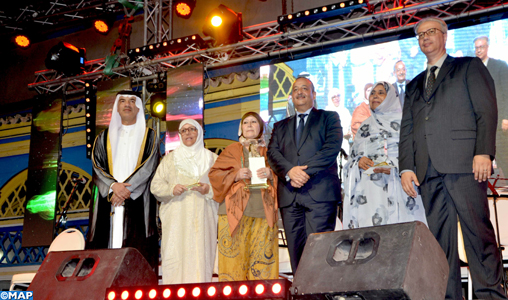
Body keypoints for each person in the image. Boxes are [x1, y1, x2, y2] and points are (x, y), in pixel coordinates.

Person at [399, 17, 506, 299]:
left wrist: (483, 151)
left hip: (464, 165)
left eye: (431, 32)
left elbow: (486, 110)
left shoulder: (468, 66)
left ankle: (491, 296)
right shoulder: (413, 85)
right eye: (420, 34)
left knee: (478, 236)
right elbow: (407, 130)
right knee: (439, 245)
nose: (425, 37)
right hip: (427, 171)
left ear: (445, 36)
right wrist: (406, 167)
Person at [267, 77, 342, 273]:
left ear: (313, 94)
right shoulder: (279, 126)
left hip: (320, 195)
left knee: (320, 254)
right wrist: (290, 172)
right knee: (296, 256)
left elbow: (331, 149)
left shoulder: (329, 118)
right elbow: (272, 153)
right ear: (291, 96)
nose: (299, 92)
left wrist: (302, 172)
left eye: (304, 88)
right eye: (295, 89)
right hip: (290, 198)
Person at [88, 90, 159, 270]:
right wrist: (113, 187)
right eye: (123, 101)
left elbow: (149, 166)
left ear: (138, 108)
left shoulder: (150, 136)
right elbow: (97, 167)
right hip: (109, 199)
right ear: (117, 108)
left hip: (137, 199)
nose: (127, 104)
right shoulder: (102, 138)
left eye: (132, 101)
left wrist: (125, 190)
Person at [343, 81, 427, 229]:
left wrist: (394, 166)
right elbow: (351, 160)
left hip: (401, 186)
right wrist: (359, 162)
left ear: (390, 97)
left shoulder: (405, 123)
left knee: (403, 236)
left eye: (381, 93)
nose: (375, 96)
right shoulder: (364, 126)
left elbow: (417, 153)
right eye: (372, 93)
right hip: (370, 192)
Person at [209, 112, 279, 281]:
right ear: (240, 128)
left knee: (262, 263)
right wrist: (235, 174)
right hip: (233, 211)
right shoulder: (232, 149)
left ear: (260, 127)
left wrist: (271, 174)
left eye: (253, 122)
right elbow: (214, 174)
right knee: (232, 262)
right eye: (245, 122)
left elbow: (284, 177)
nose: (249, 125)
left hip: (263, 211)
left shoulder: (270, 152)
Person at [151, 119, 218, 284]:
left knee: (201, 264)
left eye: (192, 129)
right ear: (180, 135)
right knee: (176, 264)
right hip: (176, 223)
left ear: (200, 132)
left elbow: (224, 189)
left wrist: (208, 190)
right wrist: (171, 190)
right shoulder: (169, 160)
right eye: (184, 130)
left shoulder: (212, 159)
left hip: (204, 221)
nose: (188, 133)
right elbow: (156, 186)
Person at [474, 36, 508, 179]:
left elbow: (506, 92)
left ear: (487, 47)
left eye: (481, 47)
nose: (478, 50)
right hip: (480, 123)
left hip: (499, 120)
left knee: (503, 155)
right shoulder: (472, 70)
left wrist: (506, 117)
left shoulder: (500, 66)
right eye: (476, 48)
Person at [325, 88, 352, 156]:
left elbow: (350, 127)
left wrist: (349, 133)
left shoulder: (345, 111)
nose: (336, 98)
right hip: (332, 147)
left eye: (338, 96)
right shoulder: (326, 112)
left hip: (345, 145)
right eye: (334, 97)